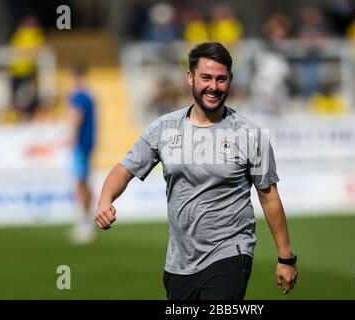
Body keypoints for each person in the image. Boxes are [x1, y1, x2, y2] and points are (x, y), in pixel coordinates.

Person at [94, 42, 298, 299]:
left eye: (221, 79)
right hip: (179, 263)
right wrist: (105, 200)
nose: (214, 86)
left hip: (231, 253)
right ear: (190, 77)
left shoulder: (251, 134)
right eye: (206, 77)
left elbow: (269, 196)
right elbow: (124, 169)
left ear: (231, 80)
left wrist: (286, 257)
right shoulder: (164, 128)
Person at [69, 64, 97, 244]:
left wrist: (71, 137)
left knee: (80, 182)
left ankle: (85, 223)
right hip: (89, 142)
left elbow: (76, 118)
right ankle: (86, 222)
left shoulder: (78, 96)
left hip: (81, 144)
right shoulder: (90, 96)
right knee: (84, 181)